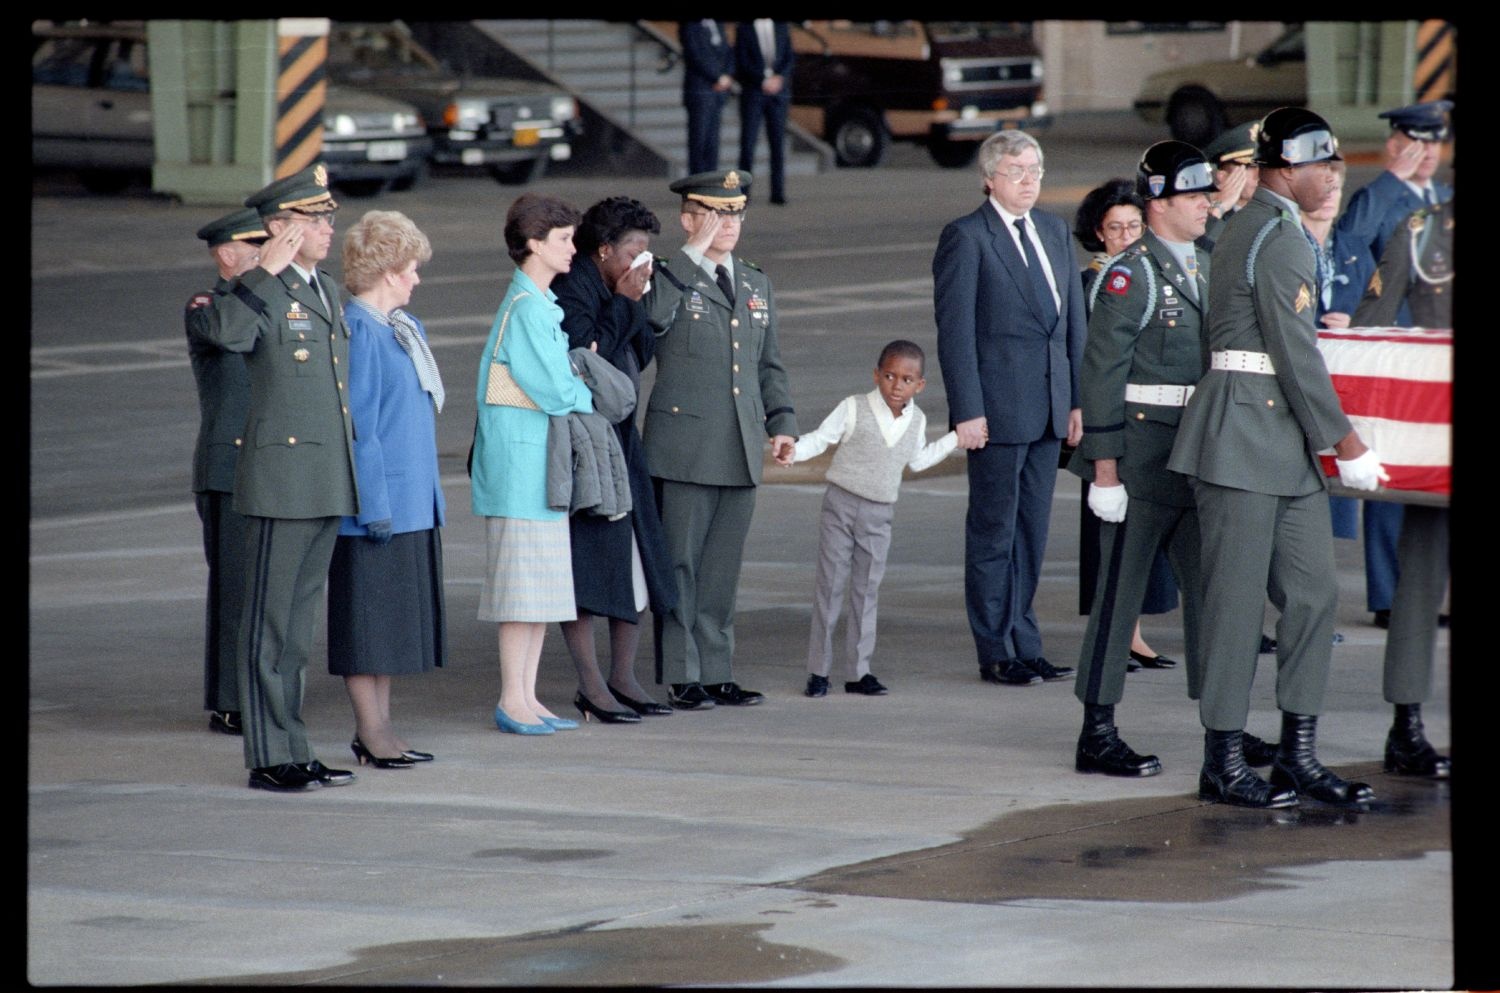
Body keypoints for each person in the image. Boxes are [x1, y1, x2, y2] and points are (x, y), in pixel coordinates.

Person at [1167, 108, 1388, 809]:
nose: (1332, 176)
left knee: (1314, 592)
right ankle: (1223, 758)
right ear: (1288, 166)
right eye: (1324, 163)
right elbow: (1294, 351)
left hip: (1276, 438)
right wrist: (1346, 441)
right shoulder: (1274, 234)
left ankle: (1297, 753)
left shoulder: (1262, 227)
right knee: (1234, 605)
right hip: (1244, 434)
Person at [199, 165, 360, 792]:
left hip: (322, 478)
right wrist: (263, 269)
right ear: (280, 229)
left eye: (326, 218)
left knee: (296, 630)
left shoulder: (325, 289)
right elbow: (228, 336)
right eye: (315, 220)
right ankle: (268, 757)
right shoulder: (259, 292)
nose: (327, 229)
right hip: (279, 480)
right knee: (267, 626)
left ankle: (294, 746)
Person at [1069, 140, 1219, 777]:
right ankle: (1096, 730)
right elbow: (1101, 373)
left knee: (1213, 597)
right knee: (1119, 598)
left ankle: (1225, 728)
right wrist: (1104, 470)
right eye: (1193, 195)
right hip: (1137, 458)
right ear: (1158, 203)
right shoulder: (1131, 273)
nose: (1206, 205)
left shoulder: (1205, 265)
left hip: (1193, 454)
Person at [933, 129, 1085, 689]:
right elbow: (956, 335)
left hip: (1048, 408)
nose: (1029, 180)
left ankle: (1026, 640)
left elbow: (1072, 324)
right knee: (994, 532)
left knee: (1032, 532)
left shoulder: (1052, 229)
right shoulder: (968, 237)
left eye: (1036, 169)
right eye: (1018, 170)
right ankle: (995, 647)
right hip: (996, 412)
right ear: (990, 177)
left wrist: (1077, 402)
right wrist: (966, 411)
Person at [642, 168, 798, 710]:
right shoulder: (667, 275)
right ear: (688, 218)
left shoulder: (756, 282)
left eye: (736, 213)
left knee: (721, 569)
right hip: (684, 447)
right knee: (680, 564)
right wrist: (691, 252)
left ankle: (717, 669)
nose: (729, 223)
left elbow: (768, 364)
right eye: (716, 213)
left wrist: (781, 423)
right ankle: (683, 672)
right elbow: (652, 322)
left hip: (739, 444)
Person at [472, 193, 595, 736]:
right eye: (564, 239)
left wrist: (572, 387)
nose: (573, 248)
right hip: (520, 469)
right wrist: (586, 392)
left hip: (534, 466)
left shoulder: (538, 303)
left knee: (537, 592)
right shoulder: (525, 308)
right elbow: (554, 388)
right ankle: (511, 699)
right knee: (521, 592)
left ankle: (526, 697)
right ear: (533, 244)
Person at [552, 197, 678, 723]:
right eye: (633, 251)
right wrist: (625, 302)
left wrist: (636, 302)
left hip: (623, 438)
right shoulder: (571, 288)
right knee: (588, 564)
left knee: (637, 558)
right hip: (586, 443)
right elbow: (585, 353)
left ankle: (624, 676)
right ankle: (591, 685)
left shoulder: (621, 285)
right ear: (603, 250)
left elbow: (640, 352)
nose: (641, 261)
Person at [328, 210, 446, 769]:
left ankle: (383, 728)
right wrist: (375, 505)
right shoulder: (360, 332)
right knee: (366, 627)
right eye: (411, 268)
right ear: (389, 270)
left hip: (412, 504)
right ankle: (370, 730)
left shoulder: (404, 327)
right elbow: (362, 430)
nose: (417, 278)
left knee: (391, 629)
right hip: (379, 507)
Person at [1334, 99, 1454, 628]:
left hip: (1439, 355)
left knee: (1435, 473)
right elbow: (1350, 242)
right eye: (1417, 142)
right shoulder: (1378, 197)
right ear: (1396, 142)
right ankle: (1387, 594)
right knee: (1388, 477)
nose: (1427, 153)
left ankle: (1430, 593)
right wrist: (1387, 181)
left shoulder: (1445, 197)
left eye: (1435, 143)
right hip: (1396, 352)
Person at [789, 339, 959, 698]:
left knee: (867, 591)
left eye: (907, 379)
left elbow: (917, 460)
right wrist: (794, 451)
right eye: (890, 376)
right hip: (841, 504)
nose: (897, 386)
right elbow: (821, 439)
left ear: (920, 385)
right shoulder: (853, 408)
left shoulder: (917, 420)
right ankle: (818, 671)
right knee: (830, 586)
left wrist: (954, 440)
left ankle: (858, 671)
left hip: (880, 513)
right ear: (876, 375)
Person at [1353, 196, 1453, 779]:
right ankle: (1407, 726)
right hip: (1435, 438)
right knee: (1419, 582)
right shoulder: (1423, 230)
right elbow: (1374, 325)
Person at [1070, 179, 1180, 673]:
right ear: (1098, 234)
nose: (1126, 236)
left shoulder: (1152, 273)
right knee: (1110, 535)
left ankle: (1133, 633)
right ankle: (1117, 637)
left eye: (1133, 226)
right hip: (1111, 423)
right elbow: (1089, 361)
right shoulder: (1096, 282)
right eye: (1115, 229)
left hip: (1149, 421)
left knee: (1145, 536)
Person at [185, 207, 266, 737]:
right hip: (228, 466)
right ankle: (231, 700)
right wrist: (260, 278)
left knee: (266, 587)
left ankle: (260, 690)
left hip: (268, 462)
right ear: (226, 255)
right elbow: (231, 337)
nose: (264, 252)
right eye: (253, 246)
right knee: (236, 589)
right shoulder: (208, 307)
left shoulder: (263, 300)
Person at [734, 20, 793, 205]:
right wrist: (762, 80)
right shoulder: (744, 29)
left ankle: (778, 192)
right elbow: (741, 60)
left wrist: (779, 78)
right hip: (753, 93)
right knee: (748, 145)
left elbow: (789, 57)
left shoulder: (782, 27)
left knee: (777, 145)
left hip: (778, 94)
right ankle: (743, 192)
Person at [680, 20, 735, 174]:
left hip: (718, 93)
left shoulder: (718, 23)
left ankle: (710, 188)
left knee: (712, 143)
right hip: (700, 90)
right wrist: (717, 77)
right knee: (699, 142)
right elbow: (694, 54)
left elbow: (727, 51)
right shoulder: (690, 24)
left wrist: (727, 76)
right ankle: (697, 187)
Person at [1197, 122, 1259, 252]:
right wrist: (1218, 208)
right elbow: (1199, 255)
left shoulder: (1280, 214)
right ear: (1223, 176)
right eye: (1249, 167)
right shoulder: (1207, 218)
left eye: (1264, 166)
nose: (1259, 175)